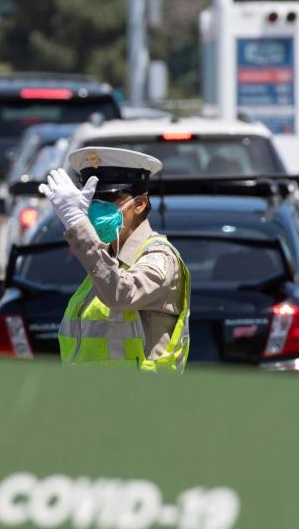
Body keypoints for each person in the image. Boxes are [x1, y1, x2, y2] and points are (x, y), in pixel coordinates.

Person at [40, 147, 190, 371]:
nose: (97, 208)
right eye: (93, 199)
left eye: (110, 197)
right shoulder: (107, 260)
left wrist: (77, 224)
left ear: (140, 203)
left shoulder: (159, 257)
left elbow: (120, 292)